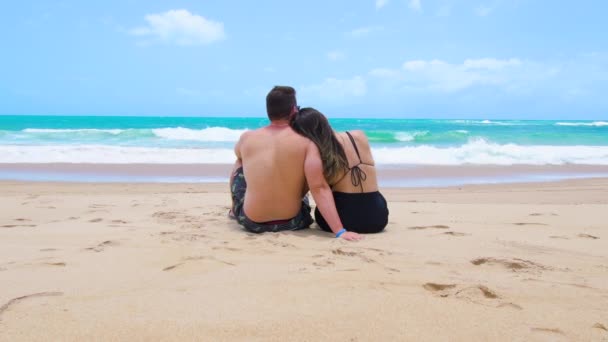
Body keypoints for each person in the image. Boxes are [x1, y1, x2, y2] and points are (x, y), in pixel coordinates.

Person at [229, 86, 362, 241]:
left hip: (252, 223)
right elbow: (319, 188)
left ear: (268, 111)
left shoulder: (247, 138)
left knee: (240, 161)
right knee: (305, 177)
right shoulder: (307, 143)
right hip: (293, 222)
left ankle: (234, 210)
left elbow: (241, 162)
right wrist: (340, 231)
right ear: (293, 110)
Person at [290, 107, 389, 234]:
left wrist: (340, 231)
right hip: (378, 217)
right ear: (324, 119)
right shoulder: (359, 135)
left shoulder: (319, 153)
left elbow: (317, 190)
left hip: (345, 219)